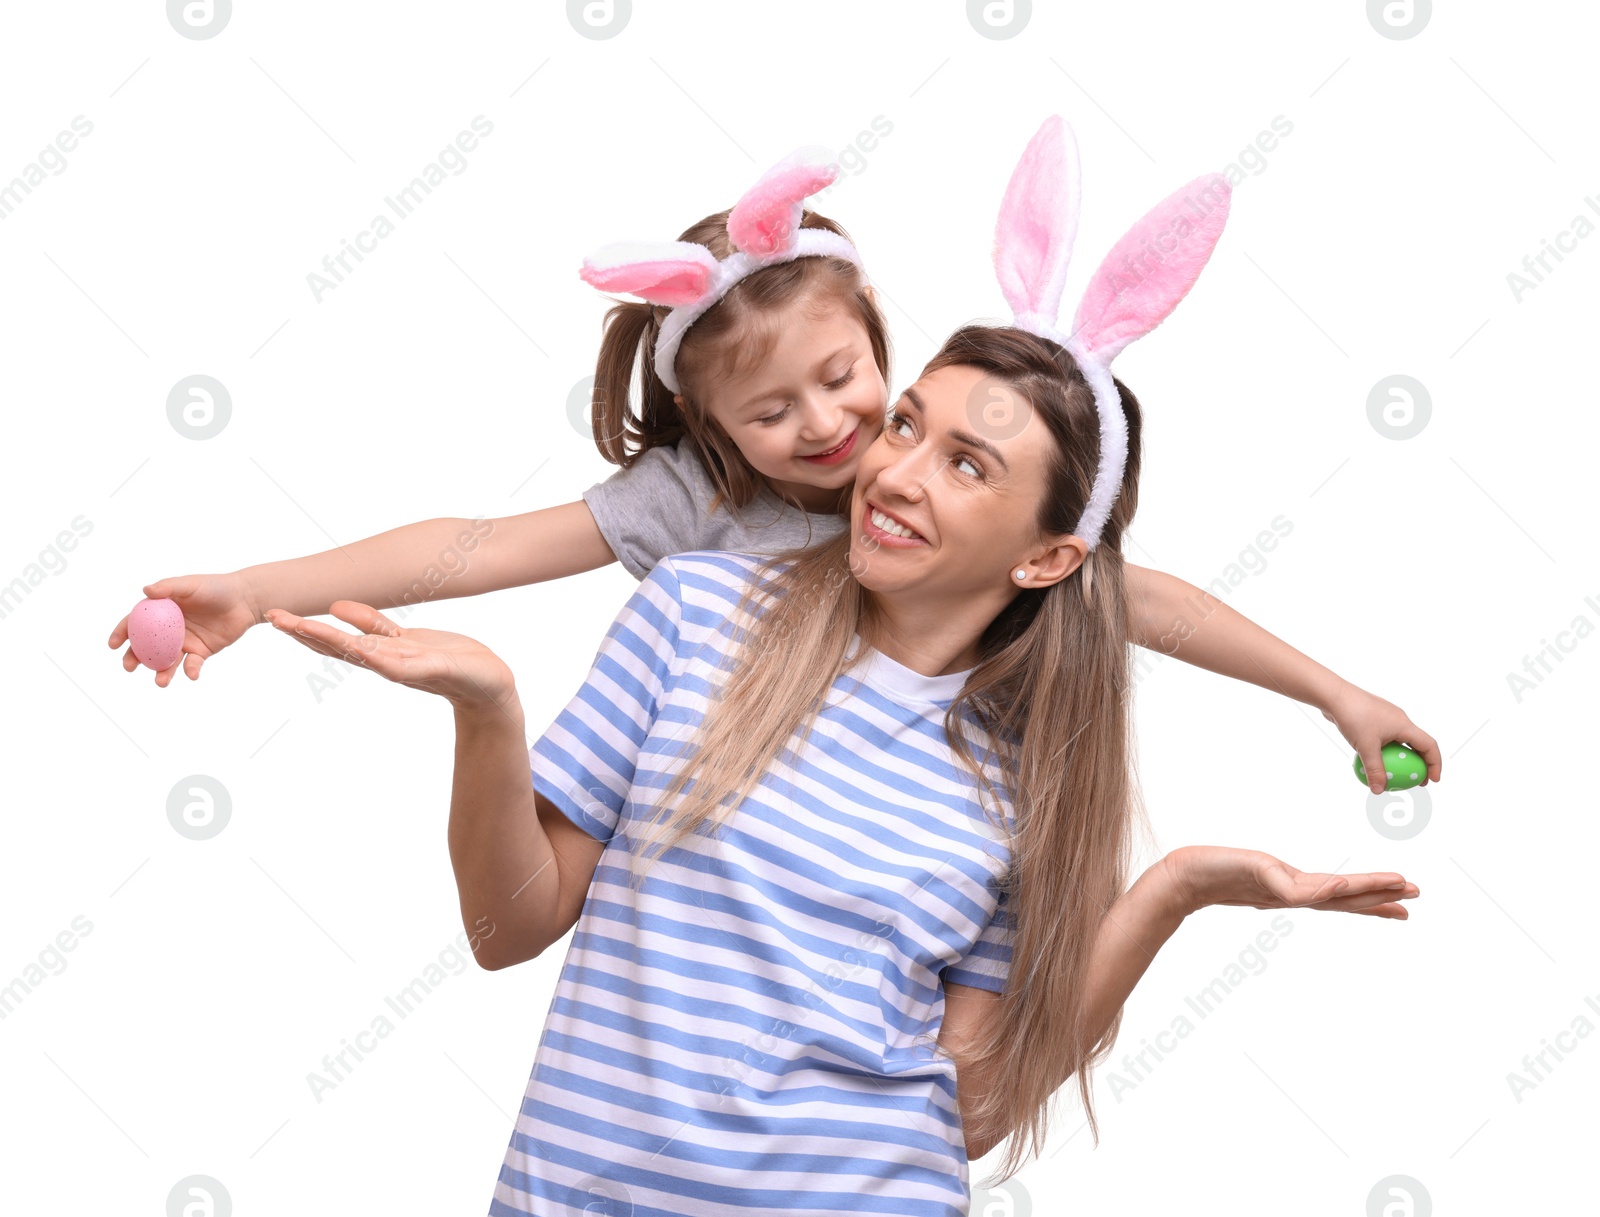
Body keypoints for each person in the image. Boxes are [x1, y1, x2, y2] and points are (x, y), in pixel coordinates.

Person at [262, 319, 1420, 1212]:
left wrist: (1174, 889)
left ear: (1048, 554)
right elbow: (508, 928)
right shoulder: (698, 611)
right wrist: (489, 713)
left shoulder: (1022, 776)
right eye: (908, 423)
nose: (896, 470)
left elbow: (972, 1107)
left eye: (968, 464)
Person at [107, 144, 1439, 796]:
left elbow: (1137, 595)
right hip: (754, 818)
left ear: (878, 338)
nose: (829, 429)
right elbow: (479, 544)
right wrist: (254, 584)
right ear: (716, 435)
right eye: (768, 412)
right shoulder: (706, 508)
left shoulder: (953, 484)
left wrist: (1332, 689)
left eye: (846, 378)